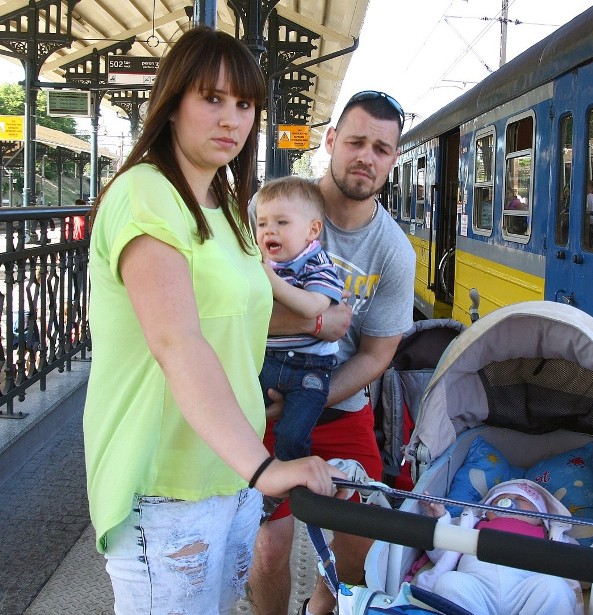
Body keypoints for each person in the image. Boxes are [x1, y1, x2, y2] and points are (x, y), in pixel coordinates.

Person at [83, 27, 345, 614]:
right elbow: (177, 339)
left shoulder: (226, 206)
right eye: (212, 98)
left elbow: (240, 317)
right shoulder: (146, 194)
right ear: (172, 102)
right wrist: (267, 466)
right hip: (166, 481)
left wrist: (322, 319)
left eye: (245, 104)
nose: (232, 118)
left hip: (230, 471)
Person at [247, 90, 416, 615]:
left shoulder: (393, 251)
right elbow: (231, 309)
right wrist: (318, 322)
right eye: (356, 141)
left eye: (382, 149)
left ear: (393, 160)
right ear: (330, 141)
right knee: (271, 549)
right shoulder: (272, 210)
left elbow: (376, 354)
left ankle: (321, 604)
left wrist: (311, 399)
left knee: (357, 551)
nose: (367, 156)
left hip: (340, 406)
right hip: (268, 395)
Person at [254, 176, 344, 473]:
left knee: (291, 435)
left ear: (312, 230)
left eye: (282, 222)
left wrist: (272, 283)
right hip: (267, 360)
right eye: (263, 223)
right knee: (239, 413)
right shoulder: (263, 263)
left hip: (309, 369)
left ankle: (291, 482)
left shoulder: (317, 264)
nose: (269, 231)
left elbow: (313, 307)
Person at [417, 479, 585, 615]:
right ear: (486, 510)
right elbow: (442, 554)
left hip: (526, 590)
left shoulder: (550, 536)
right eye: (501, 499)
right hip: (478, 586)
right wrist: (440, 519)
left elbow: (578, 565)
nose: (510, 501)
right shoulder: (472, 524)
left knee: (555, 588)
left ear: (541, 517)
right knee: (449, 583)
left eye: (521, 499)